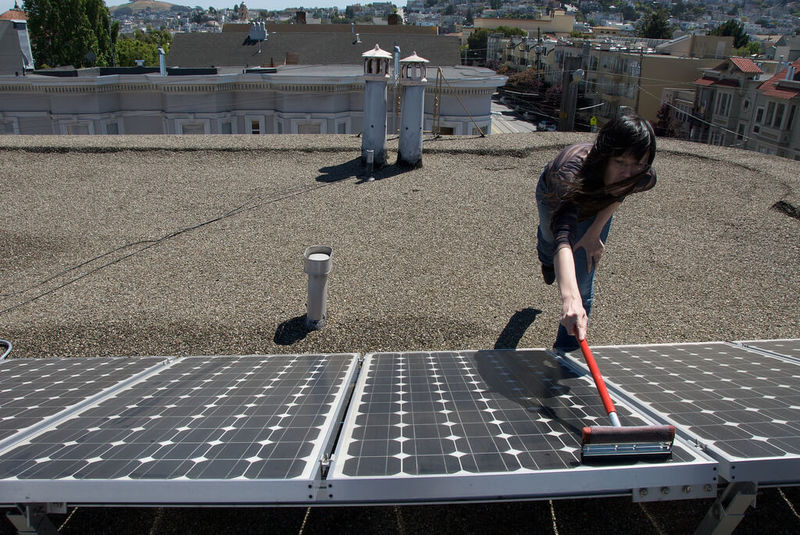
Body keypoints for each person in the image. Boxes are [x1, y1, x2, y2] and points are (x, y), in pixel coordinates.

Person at [536, 113, 657, 353]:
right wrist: (568, 300)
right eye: (620, 162)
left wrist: (595, 230)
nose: (628, 173)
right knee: (551, 240)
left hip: (598, 202)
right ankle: (547, 262)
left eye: (637, 164)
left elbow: (622, 191)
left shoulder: (642, 175)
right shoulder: (569, 173)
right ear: (604, 155)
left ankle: (567, 353)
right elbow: (564, 236)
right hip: (559, 194)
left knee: (583, 282)